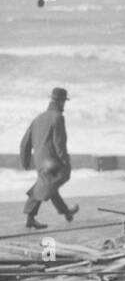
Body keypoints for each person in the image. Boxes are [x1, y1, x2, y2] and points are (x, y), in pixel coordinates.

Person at [19, 87, 77, 230]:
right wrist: (65, 161)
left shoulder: (38, 118)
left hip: (40, 161)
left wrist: (25, 161)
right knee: (53, 180)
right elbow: (59, 143)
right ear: (62, 102)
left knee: (49, 184)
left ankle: (66, 212)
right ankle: (30, 216)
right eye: (64, 101)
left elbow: (24, 142)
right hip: (51, 161)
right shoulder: (58, 117)